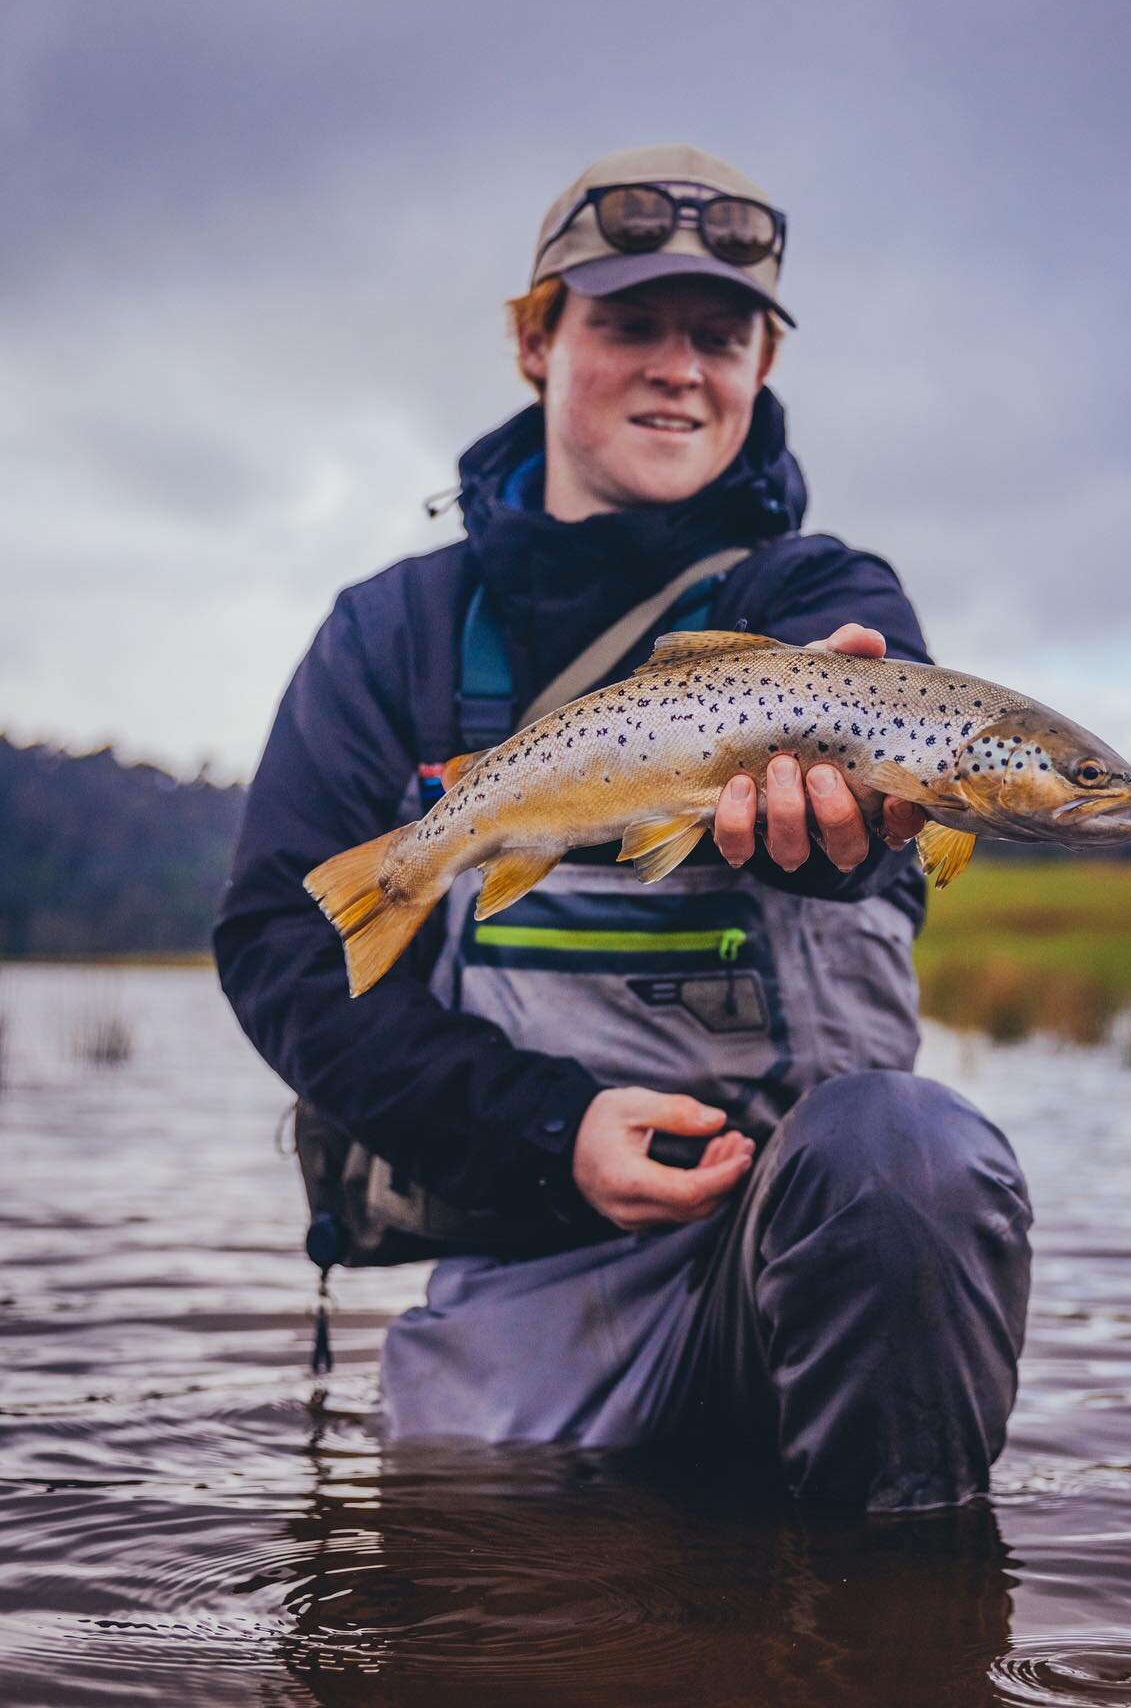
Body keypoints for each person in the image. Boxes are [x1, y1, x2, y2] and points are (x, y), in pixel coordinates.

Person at [215, 144, 1032, 1511]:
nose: (678, 367)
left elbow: (885, 844)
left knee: (910, 1154)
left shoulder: (829, 596)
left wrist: (853, 840)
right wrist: (552, 1129)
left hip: (809, 1259)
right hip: (529, 1272)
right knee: (489, 1613)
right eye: (628, 324)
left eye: (720, 335)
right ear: (538, 341)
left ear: (762, 366)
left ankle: (903, 1625)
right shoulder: (391, 636)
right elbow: (283, 946)